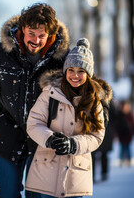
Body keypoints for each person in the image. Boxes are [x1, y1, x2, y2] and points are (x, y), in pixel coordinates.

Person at [0, 3, 70, 198]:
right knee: (8, 193)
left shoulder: (62, 59)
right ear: (22, 29)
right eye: (31, 33)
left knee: (38, 194)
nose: (36, 40)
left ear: (50, 35)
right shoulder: (0, 53)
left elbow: (83, 92)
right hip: (8, 132)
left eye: (41, 35)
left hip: (45, 136)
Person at [26, 38, 113, 197]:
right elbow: (33, 123)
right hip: (47, 172)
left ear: (88, 73)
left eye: (81, 71)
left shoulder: (95, 101)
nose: (75, 75)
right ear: (65, 70)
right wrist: (50, 139)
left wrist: (73, 144)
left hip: (75, 176)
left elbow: (97, 136)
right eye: (71, 70)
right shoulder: (50, 93)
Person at [92, 98, 117, 182]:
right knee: (97, 155)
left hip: (105, 132)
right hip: (100, 132)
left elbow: (115, 117)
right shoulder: (110, 102)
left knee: (99, 155)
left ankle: (100, 174)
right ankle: (100, 174)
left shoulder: (108, 102)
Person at [116, 99, 134, 166]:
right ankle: (121, 160)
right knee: (122, 148)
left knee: (128, 148)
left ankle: (129, 160)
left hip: (128, 135)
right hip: (122, 134)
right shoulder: (120, 115)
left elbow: (132, 124)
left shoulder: (130, 115)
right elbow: (117, 125)